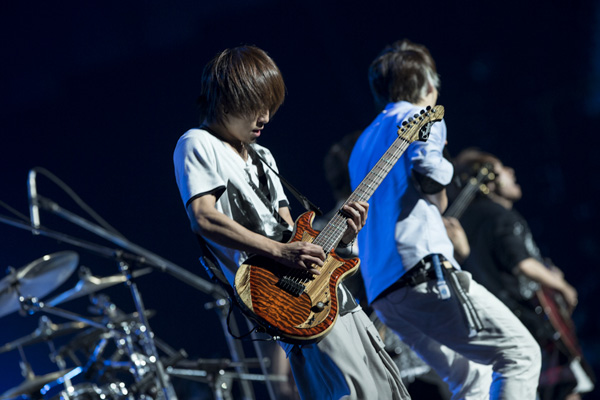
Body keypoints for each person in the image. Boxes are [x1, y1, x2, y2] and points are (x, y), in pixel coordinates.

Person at [173, 45, 409, 400]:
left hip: (327, 292)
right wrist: (281, 252)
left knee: (388, 389)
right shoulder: (197, 142)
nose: (266, 117)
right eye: (257, 105)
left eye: (270, 107)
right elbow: (204, 218)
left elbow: (296, 235)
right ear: (227, 99)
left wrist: (344, 237)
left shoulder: (263, 156)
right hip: (287, 300)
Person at [347, 38, 542, 399]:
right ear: (428, 86)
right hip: (421, 274)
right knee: (521, 354)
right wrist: (446, 171)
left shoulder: (362, 144)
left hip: (384, 291)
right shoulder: (421, 115)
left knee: (472, 380)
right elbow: (429, 171)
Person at [454, 148, 595, 399]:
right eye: (501, 169)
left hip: (492, 320)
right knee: (565, 388)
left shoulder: (468, 219)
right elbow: (522, 263)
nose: (511, 172)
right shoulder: (500, 215)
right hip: (528, 320)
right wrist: (562, 286)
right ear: (488, 182)